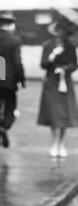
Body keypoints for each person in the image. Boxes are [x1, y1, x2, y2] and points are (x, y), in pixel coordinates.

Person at [37, 20, 78, 158]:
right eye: (61, 31)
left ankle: (61, 144)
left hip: (65, 82)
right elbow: (43, 64)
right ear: (56, 31)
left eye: (66, 32)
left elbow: (75, 64)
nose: (63, 34)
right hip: (51, 82)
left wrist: (65, 69)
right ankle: (53, 144)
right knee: (53, 113)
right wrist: (53, 55)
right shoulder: (48, 45)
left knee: (64, 114)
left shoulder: (71, 47)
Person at [0, 11, 25, 148]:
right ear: (10, 25)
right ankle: (4, 127)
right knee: (10, 107)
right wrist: (21, 79)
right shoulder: (14, 40)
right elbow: (17, 63)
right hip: (8, 81)